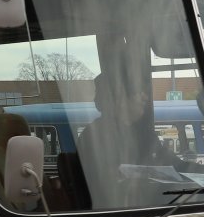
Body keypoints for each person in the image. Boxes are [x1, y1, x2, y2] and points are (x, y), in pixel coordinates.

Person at [75, 73, 185, 207]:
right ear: (119, 99)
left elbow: (173, 163)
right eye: (138, 91)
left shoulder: (144, 133)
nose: (145, 97)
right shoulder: (93, 138)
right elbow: (103, 187)